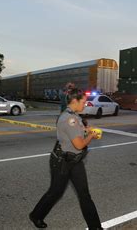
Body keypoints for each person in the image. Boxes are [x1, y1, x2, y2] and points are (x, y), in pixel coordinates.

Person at [29, 88, 102, 229]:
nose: (85, 105)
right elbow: (79, 144)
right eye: (83, 102)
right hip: (62, 162)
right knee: (55, 192)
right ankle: (36, 215)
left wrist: (87, 130)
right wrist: (91, 136)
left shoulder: (74, 115)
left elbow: (78, 131)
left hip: (75, 161)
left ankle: (96, 227)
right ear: (74, 101)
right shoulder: (70, 119)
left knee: (84, 195)